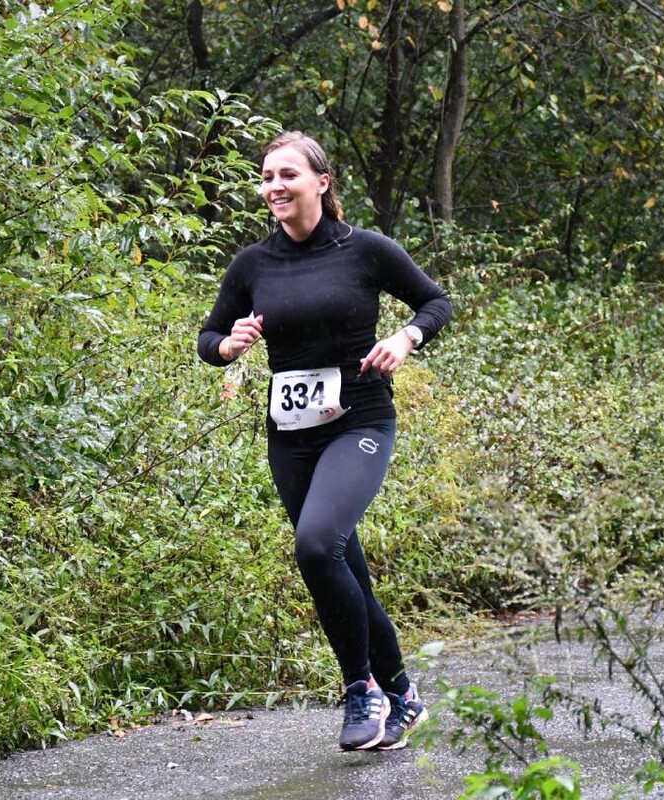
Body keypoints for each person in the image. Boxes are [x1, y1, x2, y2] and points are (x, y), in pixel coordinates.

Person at [197, 131, 452, 751]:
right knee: (343, 567)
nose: (275, 186)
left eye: (288, 174)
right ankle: (404, 697)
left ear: (322, 181)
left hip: (359, 421)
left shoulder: (365, 249)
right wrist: (228, 345)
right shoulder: (252, 264)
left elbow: (435, 302)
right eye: (267, 177)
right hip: (290, 436)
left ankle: (360, 687)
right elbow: (208, 338)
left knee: (315, 545)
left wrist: (405, 338)